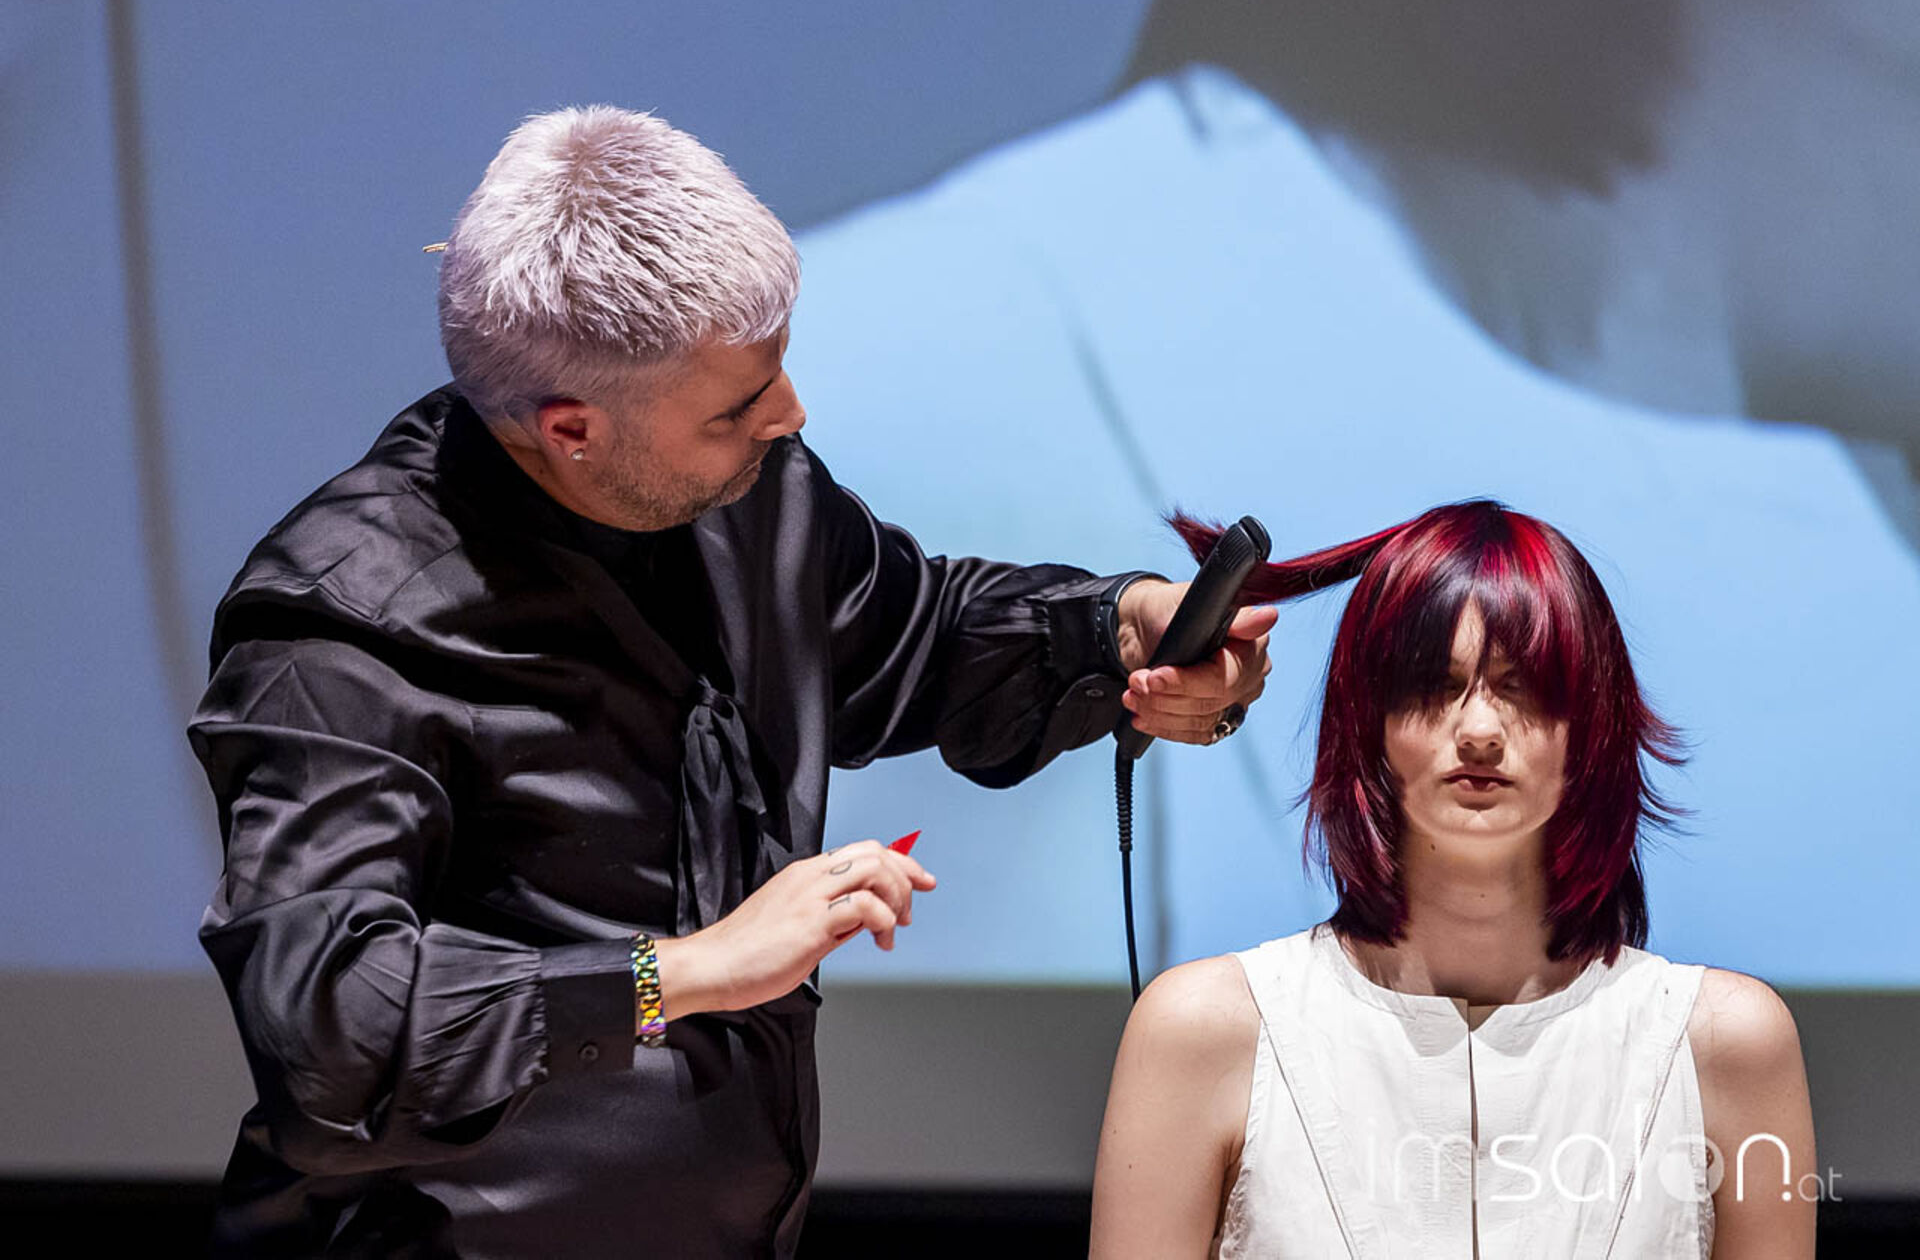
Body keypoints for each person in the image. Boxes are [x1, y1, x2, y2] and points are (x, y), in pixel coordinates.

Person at [188, 105, 1274, 1258]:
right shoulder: (345, 617)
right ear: (572, 429)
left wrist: (1117, 628)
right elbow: (330, 1026)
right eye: (735, 407)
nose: (788, 413)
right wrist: (683, 971)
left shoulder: (753, 490)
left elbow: (915, 634)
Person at [1089, 501, 1815, 1259]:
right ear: (1366, 718)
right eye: (1434, 685)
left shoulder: (1726, 1044)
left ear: (1593, 724)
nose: (1480, 730)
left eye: (1526, 686)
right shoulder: (1205, 1032)